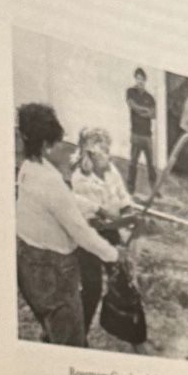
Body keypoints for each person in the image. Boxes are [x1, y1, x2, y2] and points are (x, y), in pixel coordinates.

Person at [15, 103, 119, 347]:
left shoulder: (30, 168)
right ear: (44, 144)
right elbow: (80, 232)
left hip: (28, 260)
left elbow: (63, 198)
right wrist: (113, 254)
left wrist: (96, 208)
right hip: (53, 271)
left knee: (53, 324)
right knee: (71, 343)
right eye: (55, 143)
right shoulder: (49, 179)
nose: (60, 148)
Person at [71, 127, 135, 335]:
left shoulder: (111, 171)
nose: (106, 155)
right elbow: (88, 215)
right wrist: (111, 217)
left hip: (110, 231)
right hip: (88, 235)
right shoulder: (79, 177)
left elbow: (122, 195)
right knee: (92, 289)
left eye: (107, 150)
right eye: (100, 151)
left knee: (122, 279)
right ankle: (78, 332)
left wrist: (129, 212)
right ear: (89, 153)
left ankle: (131, 330)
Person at [125, 67, 157, 195]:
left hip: (147, 136)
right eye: (138, 78)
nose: (140, 81)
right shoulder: (130, 92)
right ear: (135, 79)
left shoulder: (150, 97)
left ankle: (154, 189)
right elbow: (132, 105)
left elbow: (153, 115)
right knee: (133, 162)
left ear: (145, 80)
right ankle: (130, 188)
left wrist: (140, 111)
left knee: (151, 164)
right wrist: (145, 111)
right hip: (136, 134)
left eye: (142, 79)